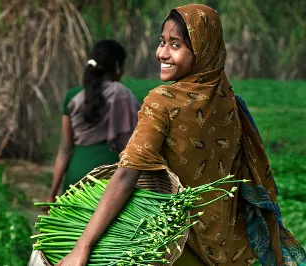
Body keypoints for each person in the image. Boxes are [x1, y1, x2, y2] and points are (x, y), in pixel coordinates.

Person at [55, 4, 306, 266]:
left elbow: (127, 173)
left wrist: (81, 247)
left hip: (176, 244)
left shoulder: (162, 101)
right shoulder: (231, 103)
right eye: (162, 42)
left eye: (175, 45)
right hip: (229, 249)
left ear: (202, 50)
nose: (162, 53)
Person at [45, 39, 140, 210]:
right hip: (110, 179)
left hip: (76, 180)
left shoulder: (72, 96)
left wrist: (52, 194)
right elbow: (136, 145)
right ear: (118, 67)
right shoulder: (123, 95)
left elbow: (65, 149)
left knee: (74, 233)